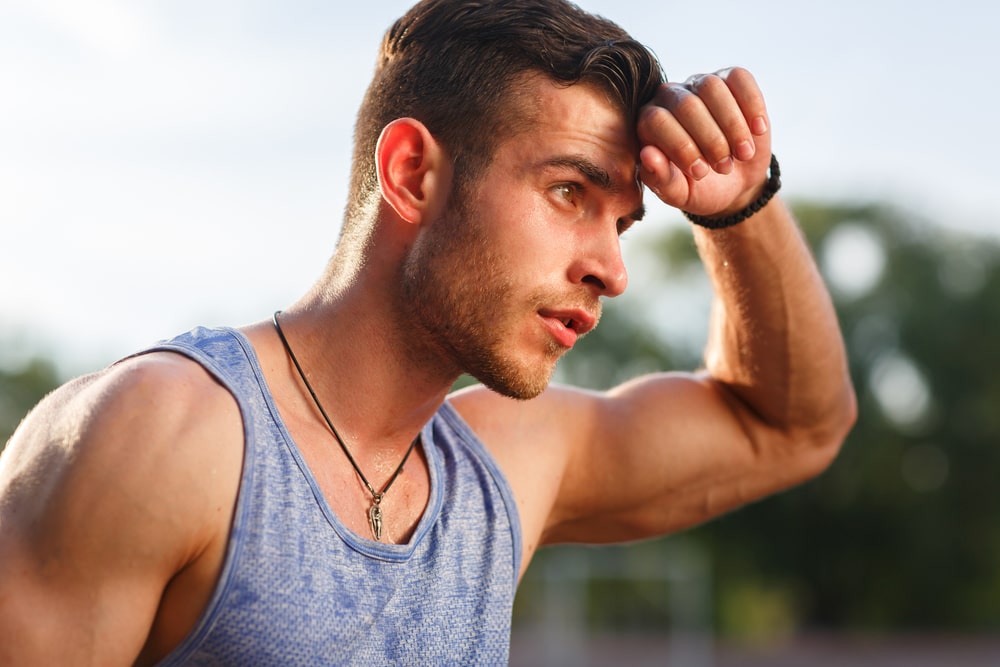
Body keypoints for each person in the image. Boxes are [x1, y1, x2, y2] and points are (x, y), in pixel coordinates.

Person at [0, 0, 856, 664]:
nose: (611, 269)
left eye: (621, 224)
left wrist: (739, 208)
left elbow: (791, 426)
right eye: (569, 194)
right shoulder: (165, 434)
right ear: (413, 173)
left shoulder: (504, 466)